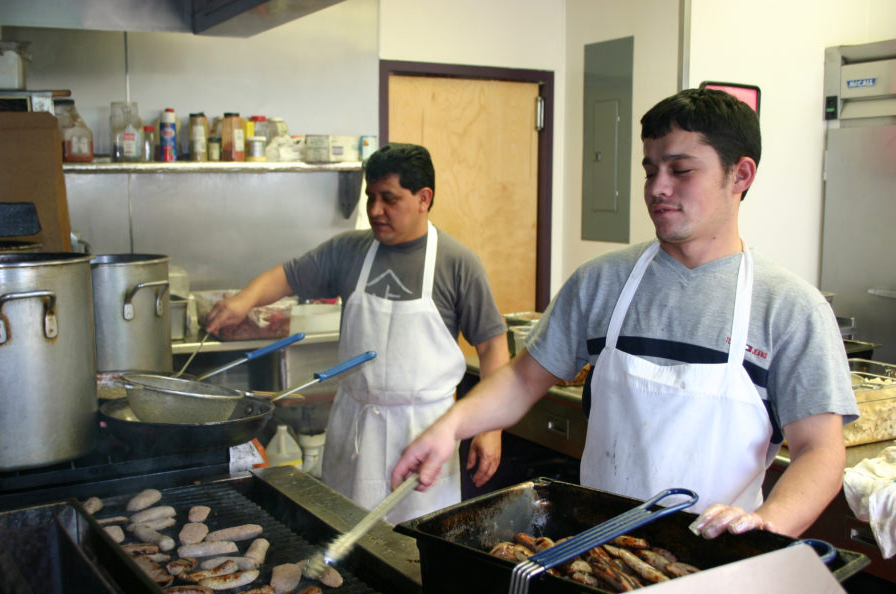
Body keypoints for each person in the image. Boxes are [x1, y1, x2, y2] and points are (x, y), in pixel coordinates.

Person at [392, 89, 859, 539]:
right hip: (597, 551)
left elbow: (819, 451)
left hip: (719, 561)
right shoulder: (601, 282)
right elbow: (522, 380)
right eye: (650, 170)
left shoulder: (789, 309)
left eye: (680, 170)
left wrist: (768, 524)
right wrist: (450, 426)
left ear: (741, 175)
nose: (658, 188)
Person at [205, 143, 510, 523]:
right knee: (346, 535)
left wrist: (491, 427)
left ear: (423, 198)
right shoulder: (349, 250)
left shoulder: (458, 263)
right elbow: (288, 276)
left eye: (389, 199)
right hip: (356, 425)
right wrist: (243, 301)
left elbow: (493, 347)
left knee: (419, 541)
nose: (375, 210)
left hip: (425, 431)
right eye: (371, 197)